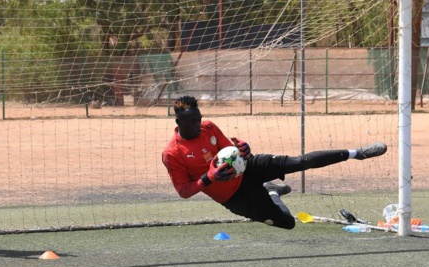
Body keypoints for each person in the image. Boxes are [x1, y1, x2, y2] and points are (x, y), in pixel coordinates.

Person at [161, 95, 387, 229]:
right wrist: (209, 178)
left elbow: (228, 149)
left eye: (199, 118)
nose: (198, 124)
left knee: (300, 161)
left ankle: (356, 153)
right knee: (288, 223)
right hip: (235, 197)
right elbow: (183, 190)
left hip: (248, 169)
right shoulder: (173, 153)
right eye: (192, 121)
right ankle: (272, 192)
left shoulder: (208, 127)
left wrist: (244, 150)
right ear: (178, 121)